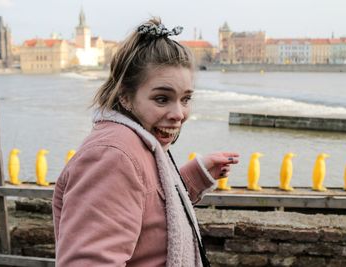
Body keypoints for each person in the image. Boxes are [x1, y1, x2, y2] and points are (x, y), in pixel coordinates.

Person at [52, 17, 239, 267]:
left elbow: (149, 211)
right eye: (162, 99)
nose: (179, 114)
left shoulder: (136, 143)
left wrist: (195, 176)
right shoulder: (112, 156)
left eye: (185, 99)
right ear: (126, 97)